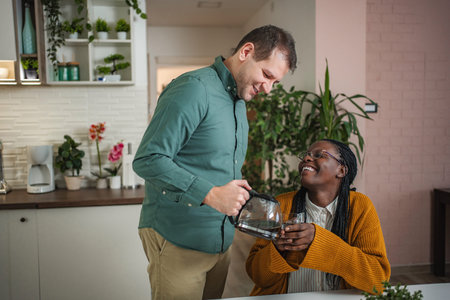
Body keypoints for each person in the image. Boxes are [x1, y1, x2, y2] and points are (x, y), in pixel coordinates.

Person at [133, 25, 297, 300]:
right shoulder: (193, 88)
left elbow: (214, 164)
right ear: (246, 52)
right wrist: (210, 193)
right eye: (267, 75)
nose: (268, 89)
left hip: (220, 240)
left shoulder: (239, 101)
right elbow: (148, 159)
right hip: (177, 239)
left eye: (275, 82)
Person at [246, 139, 390, 295]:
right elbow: (258, 277)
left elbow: (378, 281)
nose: (307, 159)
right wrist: (278, 250)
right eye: (306, 155)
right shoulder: (280, 204)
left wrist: (319, 241)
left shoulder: (360, 206)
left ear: (341, 170)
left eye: (319, 155)